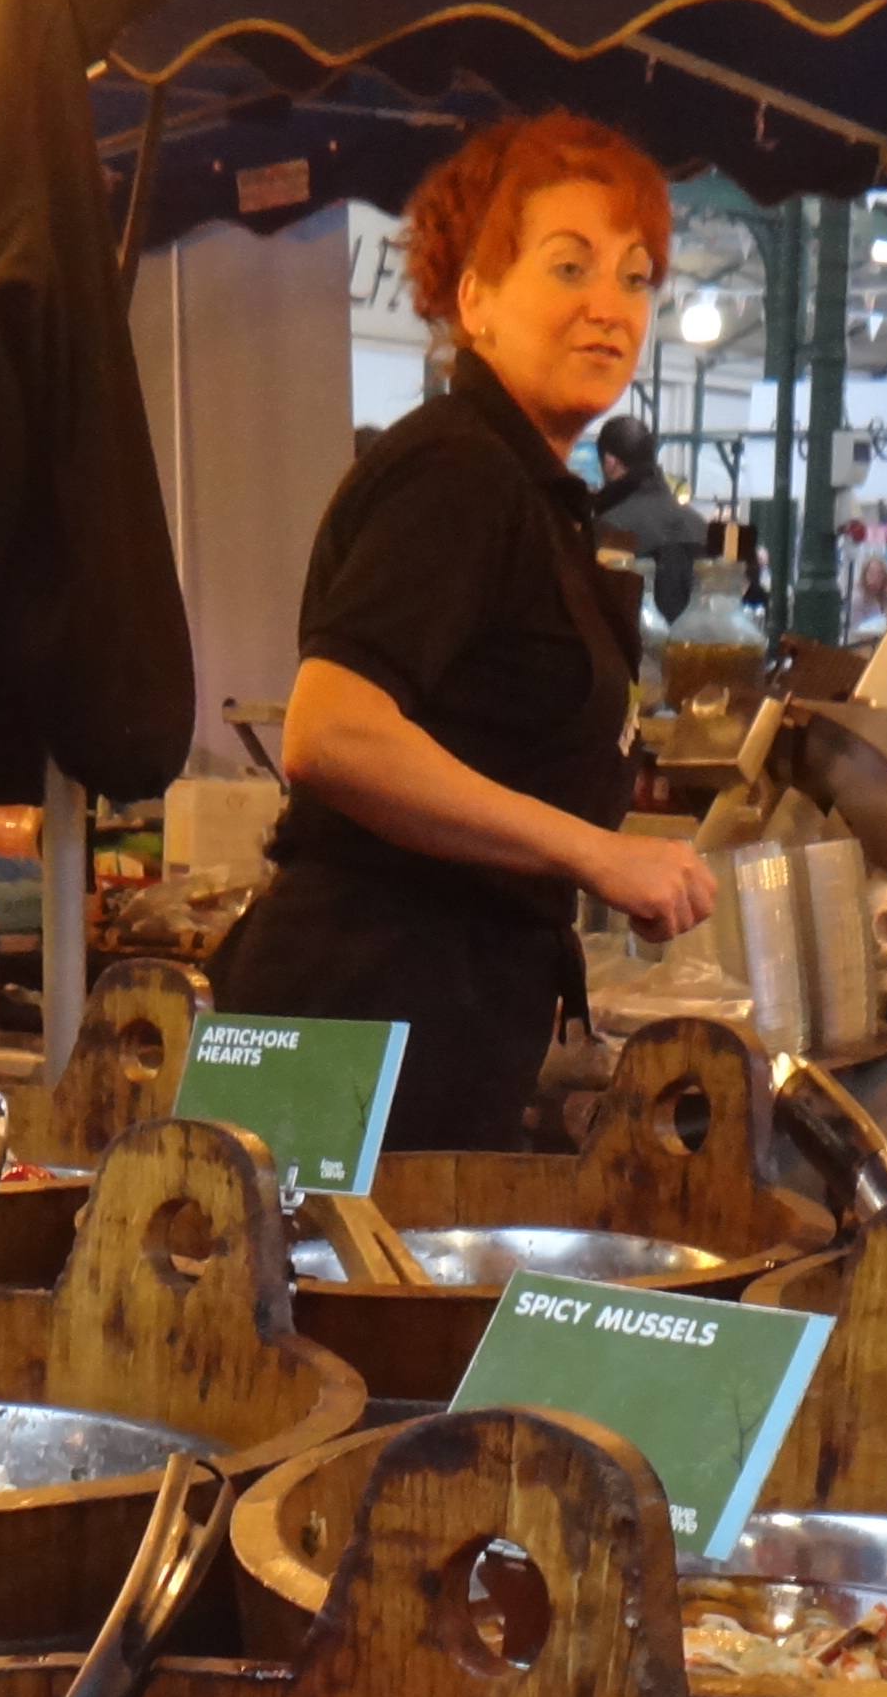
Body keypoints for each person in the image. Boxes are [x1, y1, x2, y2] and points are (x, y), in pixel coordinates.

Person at [205, 113, 717, 1153]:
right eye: (569, 266)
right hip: (353, 1021)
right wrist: (597, 855)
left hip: (421, 1029)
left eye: (635, 278)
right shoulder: (459, 470)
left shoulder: (535, 493)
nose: (610, 307)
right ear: (474, 299)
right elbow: (331, 733)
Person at [588, 411, 707, 625]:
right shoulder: (699, 525)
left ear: (610, 462)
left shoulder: (610, 529)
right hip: (695, 642)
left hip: (639, 642)